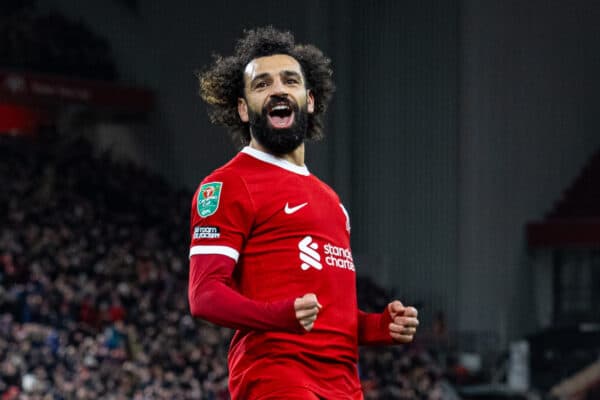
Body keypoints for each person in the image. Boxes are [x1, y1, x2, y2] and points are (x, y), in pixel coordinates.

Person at [188, 26, 419, 400]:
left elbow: (327, 316)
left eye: (289, 80)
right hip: (277, 376)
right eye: (262, 84)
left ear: (308, 100)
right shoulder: (228, 185)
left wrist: (377, 327)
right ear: (244, 109)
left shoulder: (332, 202)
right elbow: (204, 295)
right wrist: (279, 317)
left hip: (344, 385)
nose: (278, 89)